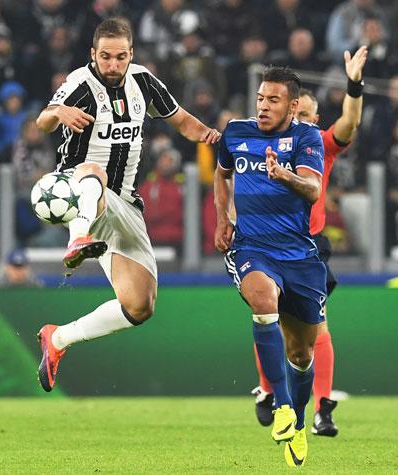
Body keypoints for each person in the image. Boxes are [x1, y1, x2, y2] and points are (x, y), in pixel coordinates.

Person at [34, 18, 221, 392]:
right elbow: (42, 122)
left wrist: (213, 136)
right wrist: (59, 113)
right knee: (93, 170)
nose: (113, 65)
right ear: (93, 55)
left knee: (140, 305)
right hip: (78, 189)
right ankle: (78, 239)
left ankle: (57, 339)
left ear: (131, 54)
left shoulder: (144, 82)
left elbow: (181, 120)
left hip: (124, 205)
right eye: (105, 57)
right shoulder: (79, 84)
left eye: (120, 57)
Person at [251, 46, 368, 438]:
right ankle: (268, 390)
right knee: (270, 317)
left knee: (315, 331)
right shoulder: (257, 139)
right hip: (265, 243)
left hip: (309, 246)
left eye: (303, 115)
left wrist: (354, 85)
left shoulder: (319, 142)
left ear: (313, 118)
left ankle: (323, 409)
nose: (295, 119)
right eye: (291, 112)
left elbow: (349, 124)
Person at [214, 66, 325, 467]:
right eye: (261, 98)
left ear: (293, 106)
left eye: (273, 100)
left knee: (302, 353)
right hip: (252, 247)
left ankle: (296, 418)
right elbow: (221, 173)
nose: (263, 106)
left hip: (298, 255)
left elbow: (313, 189)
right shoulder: (236, 132)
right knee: (263, 301)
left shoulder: (306, 137)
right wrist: (223, 217)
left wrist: (285, 175)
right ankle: (279, 405)